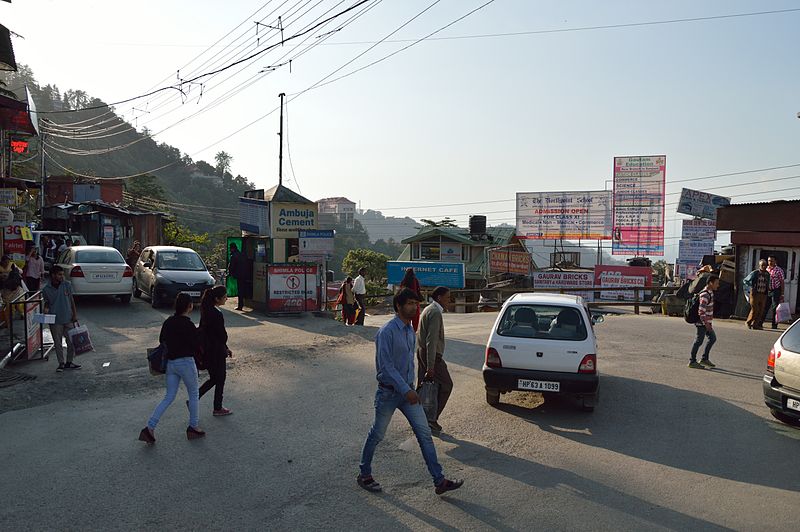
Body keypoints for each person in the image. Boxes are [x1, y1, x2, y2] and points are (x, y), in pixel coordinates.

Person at [356, 287, 464, 495]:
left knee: (425, 435)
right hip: (389, 393)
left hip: (408, 394)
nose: (415, 307)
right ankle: (364, 474)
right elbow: (385, 367)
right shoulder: (386, 332)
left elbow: (411, 361)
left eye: (416, 304)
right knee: (377, 434)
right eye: (410, 304)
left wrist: (416, 383)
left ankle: (439, 481)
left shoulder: (408, 331)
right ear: (399, 306)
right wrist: (406, 389)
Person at [139, 292, 205, 444]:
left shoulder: (168, 322)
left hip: (171, 364)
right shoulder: (188, 324)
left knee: (168, 396)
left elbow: (162, 340)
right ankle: (193, 426)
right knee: (194, 393)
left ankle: (150, 427)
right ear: (189, 306)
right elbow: (196, 344)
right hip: (186, 362)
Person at [416, 286, 453, 435]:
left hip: (422, 352)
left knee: (426, 387)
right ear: (439, 298)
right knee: (446, 385)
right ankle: (430, 420)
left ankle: (422, 419)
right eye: (447, 297)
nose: (449, 301)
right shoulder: (435, 312)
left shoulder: (429, 309)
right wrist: (430, 366)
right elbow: (431, 341)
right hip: (430, 355)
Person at [198, 285, 233, 416]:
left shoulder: (205, 310)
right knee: (220, 378)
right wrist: (225, 347)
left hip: (208, 350)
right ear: (217, 299)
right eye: (224, 297)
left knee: (214, 378)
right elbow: (222, 335)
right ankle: (217, 407)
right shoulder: (216, 314)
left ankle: (194, 400)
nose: (226, 299)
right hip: (217, 351)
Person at [41, 265, 80, 372]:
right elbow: (47, 303)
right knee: (57, 343)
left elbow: (71, 301)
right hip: (55, 319)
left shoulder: (67, 285)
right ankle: (61, 363)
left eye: (62, 274)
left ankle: (69, 362)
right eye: (59, 274)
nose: (62, 276)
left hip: (68, 317)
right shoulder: (46, 289)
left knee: (71, 341)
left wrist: (75, 315)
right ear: (53, 275)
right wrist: (46, 309)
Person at [688, 275, 719, 369]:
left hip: (707, 322)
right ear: (710, 283)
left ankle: (704, 359)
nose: (718, 285)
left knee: (712, 338)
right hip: (702, 323)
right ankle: (692, 361)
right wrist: (706, 324)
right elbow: (701, 311)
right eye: (717, 283)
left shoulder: (710, 292)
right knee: (698, 341)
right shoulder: (705, 295)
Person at [743, 259, 770, 330]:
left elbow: (768, 282)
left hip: (763, 294)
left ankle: (755, 325)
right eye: (762, 265)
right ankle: (748, 322)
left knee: (761, 310)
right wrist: (751, 286)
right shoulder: (755, 273)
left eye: (765, 265)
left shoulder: (767, 274)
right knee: (755, 309)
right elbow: (745, 280)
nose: (764, 266)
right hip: (755, 294)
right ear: (759, 265)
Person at [764, 256, 785, 330]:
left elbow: (782, 282)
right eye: (769, 261)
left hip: (776, 291)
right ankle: (760, 323)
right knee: (765, 307)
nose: (770, 262)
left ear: (775, 261)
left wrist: (782, 294)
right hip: (767, 291)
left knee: (774, 308)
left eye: (772, 261)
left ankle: (774, 325)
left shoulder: (779, 270)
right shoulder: (766, 269)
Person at [227, 243, 246, 311]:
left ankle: (240, 306)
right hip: (244, 275)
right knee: (242, 290)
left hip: (238, 275)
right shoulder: (241, 254)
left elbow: (231, 266)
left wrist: (230, 274)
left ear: (232, 248)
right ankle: (241, 304)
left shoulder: (234, 256)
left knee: (240, 290)